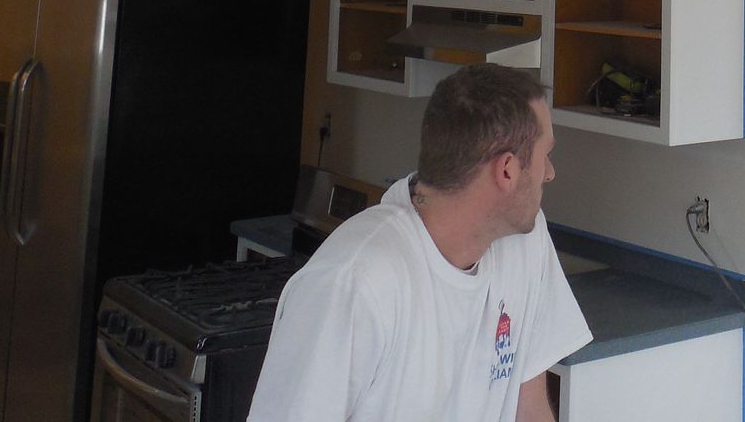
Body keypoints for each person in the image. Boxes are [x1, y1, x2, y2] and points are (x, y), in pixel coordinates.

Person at [249, 64, 591, 422]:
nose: (550, 172)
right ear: (506, 170)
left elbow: (530, 407)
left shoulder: (526, 242)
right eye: (544, 155)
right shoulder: (353, 285)